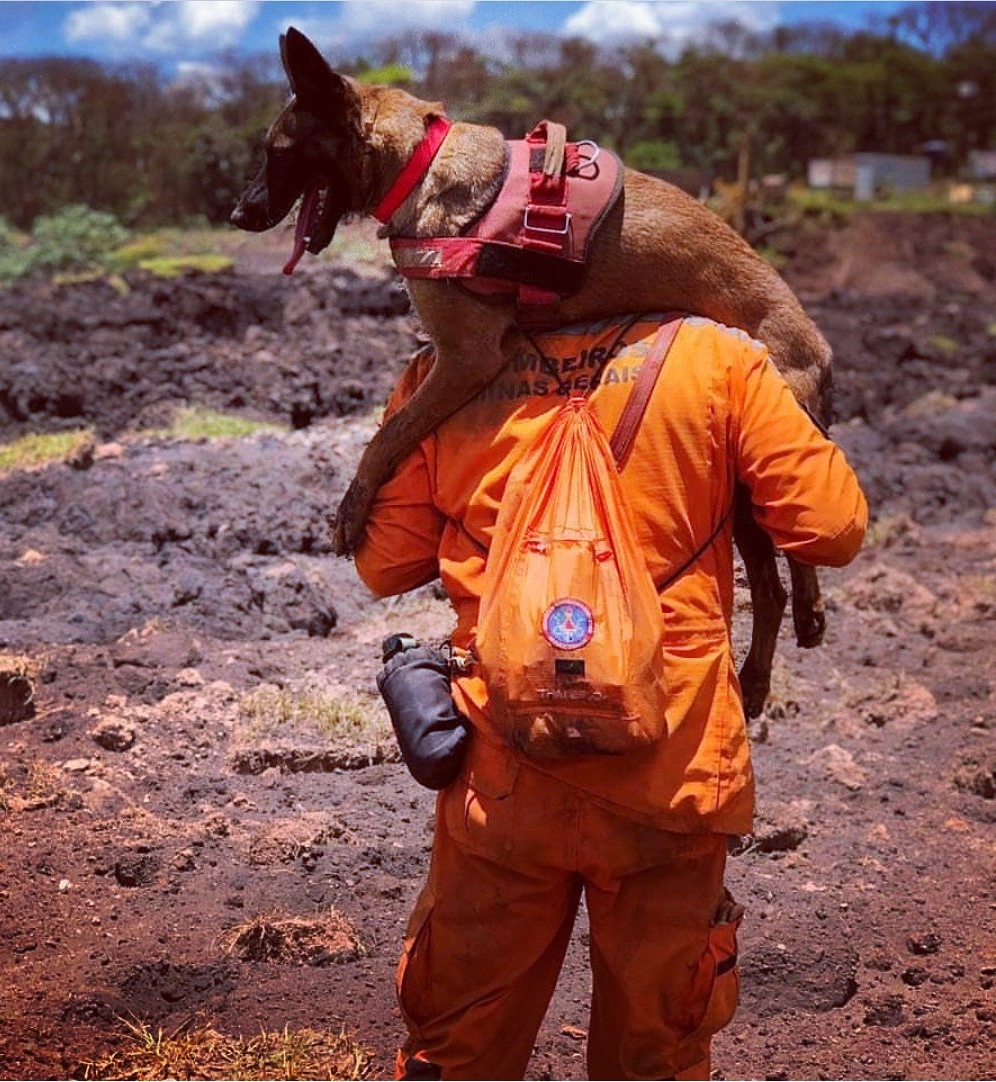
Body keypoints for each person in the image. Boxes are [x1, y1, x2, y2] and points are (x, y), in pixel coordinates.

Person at [354, 312, 868, 1082]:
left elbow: (384, 565)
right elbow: (831, 529)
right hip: (672, 771)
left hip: (503, 771)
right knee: (656, 1052)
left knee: (457, 1042)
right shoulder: (716, 360)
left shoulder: (447, 377)